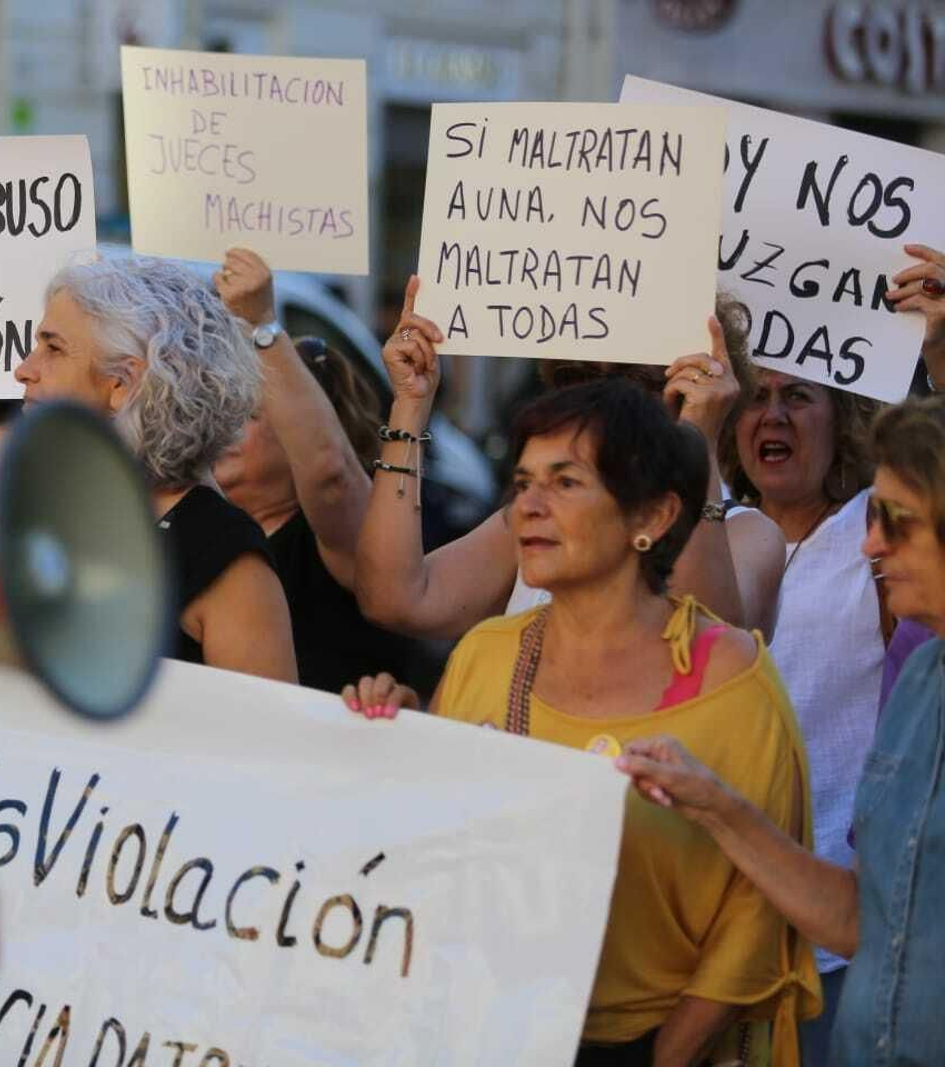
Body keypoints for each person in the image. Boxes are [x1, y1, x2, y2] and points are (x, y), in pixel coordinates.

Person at [347, 379, 818, 1066]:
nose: (528, 507)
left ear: (651, 516)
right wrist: (400, 738)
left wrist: (665, 1055)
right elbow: (440, 853)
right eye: (522, 482)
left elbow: (755, 909)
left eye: (565, 482)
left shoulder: (732, 677)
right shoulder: (486, 655)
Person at [617, 394, 945, 1067]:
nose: (872, 544)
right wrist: (716, 804)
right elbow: (866, 918)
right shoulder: (920, 680)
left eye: (898, 522)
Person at [355, 278, 785, 649]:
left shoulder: (747, 535)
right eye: (578, 379)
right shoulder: (534, 518)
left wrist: (697, 439)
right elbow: (396, 598)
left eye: (637, 381)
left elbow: (700, 647)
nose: (601, 406)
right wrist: (411, 405)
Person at [16, 254, 297, 683]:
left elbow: (263, 742)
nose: (24, 370)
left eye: (53, 348)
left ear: (122, 384)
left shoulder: (223, 557)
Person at [717, 366, 882, 1042]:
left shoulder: (878, 532)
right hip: (708, 930)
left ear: (840, 420)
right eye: (756, 398)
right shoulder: (700, 532)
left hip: (835, 934)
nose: (774, 416)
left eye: (798, 397)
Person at [209, 248, 416, 693]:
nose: (223, 424)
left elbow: (330, 474)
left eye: (247, 413)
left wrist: (261, 323)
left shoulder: (347, 539)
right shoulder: (202, 529)